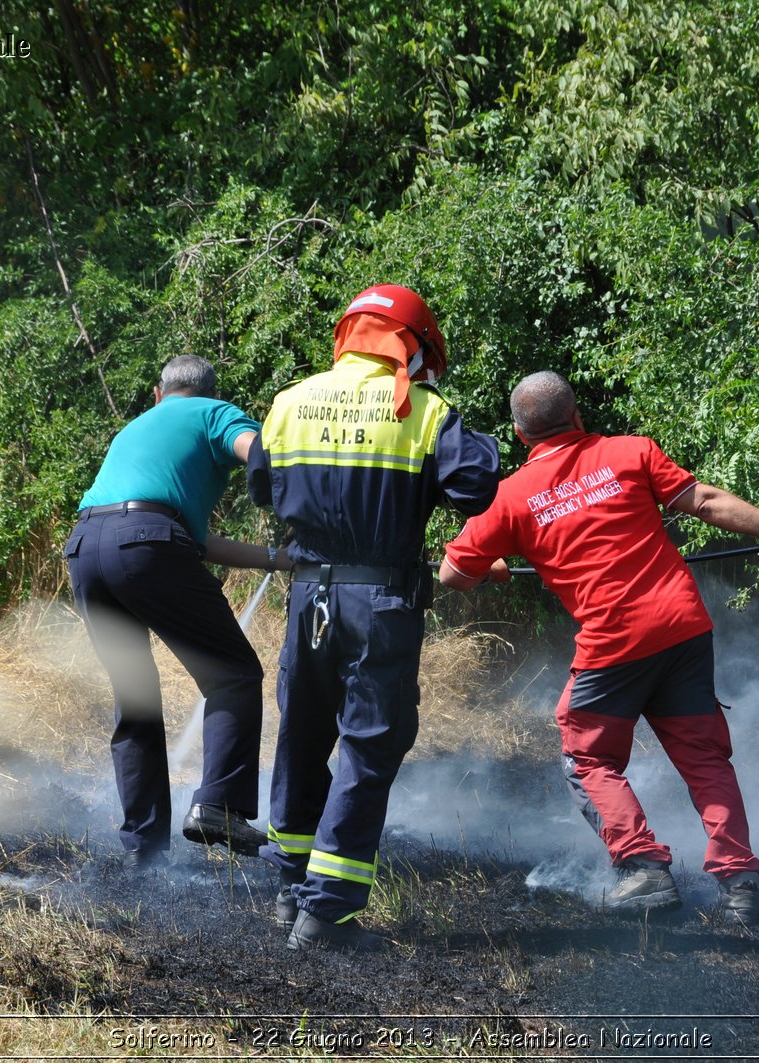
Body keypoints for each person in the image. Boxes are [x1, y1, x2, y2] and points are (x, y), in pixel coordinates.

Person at [438, 371, 759, 925]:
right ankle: (739, 880)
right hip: (683, 628)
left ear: (521, 437)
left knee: (587, 755)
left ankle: (642, 868)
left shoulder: (511, 499)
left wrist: (494, 568)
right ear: (576, 416)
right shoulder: (630, 452)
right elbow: (709, 502)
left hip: (613, 645)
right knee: (703, 756)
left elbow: (453, 574)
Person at [247, 284, 501, 951]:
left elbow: (260, 486)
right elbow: (475, 485)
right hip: (381, 603)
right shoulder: (424, 410)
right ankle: (326, 911)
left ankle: (289, 885)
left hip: (308, 598)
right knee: (368, 744)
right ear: (412, 347)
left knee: (301, 735)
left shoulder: (289, 402)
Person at [64, 354, 292, 864]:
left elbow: (191, 541)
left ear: (157, 392)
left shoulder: (134, 430)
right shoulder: (214, 413)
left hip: (85, 548)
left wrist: (281, 559)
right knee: (232, 676)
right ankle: (219, 808)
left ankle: (142, 849)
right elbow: (257, 449)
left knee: (136, 699)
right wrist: (295, 492)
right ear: (210, 392)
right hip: (145, 543)